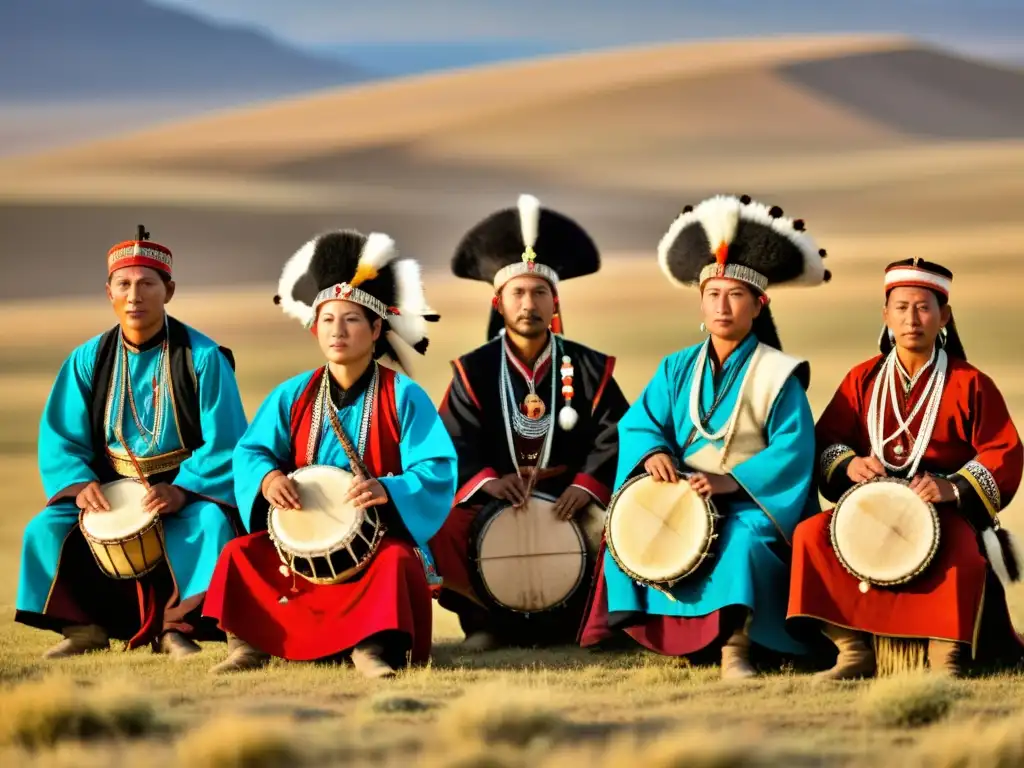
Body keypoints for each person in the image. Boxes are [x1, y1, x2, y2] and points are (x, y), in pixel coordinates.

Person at [579, 194, 832, 679]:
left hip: (752, 504)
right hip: (682, 493)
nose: (723, 306)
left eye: (736, 296)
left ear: (759, 305)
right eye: (713, 295)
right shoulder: (676, 367)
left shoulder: (778, 374)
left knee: (739, 541)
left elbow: (793, 451)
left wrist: (731, 482)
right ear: (701, 301)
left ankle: (735, 647)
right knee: (631, 528)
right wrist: (653, 452)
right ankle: (662, 636)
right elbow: (639, 422)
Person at [203, 229, 456, 678]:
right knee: (239, 553)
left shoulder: (403, 396)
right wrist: (267, 478)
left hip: (374, 538)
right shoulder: (293, 394)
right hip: (303, 535)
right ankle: (251, 645)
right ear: (314, 327)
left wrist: (389, 488)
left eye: (352, 320)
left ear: (377, 329)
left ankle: (372, 648)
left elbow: (436, 467)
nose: (338, 330)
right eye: (327, 319)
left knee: (397, 563)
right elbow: (253, 450)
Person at [16, 226, 248, 659]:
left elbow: (228, 441)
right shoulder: (87, 359)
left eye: (147, 284)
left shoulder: (204, 358)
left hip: (185, 483)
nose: (135, 295)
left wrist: (181, 491)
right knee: (45, 528)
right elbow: (62, 436)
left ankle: (177, 628)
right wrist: (80, 484)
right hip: (109, 484)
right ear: (109, 292)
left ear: (169, 291)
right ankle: (84, 628)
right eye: (124, 284)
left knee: (210, 526)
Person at [787, 258, 1024, 678]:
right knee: (811, 536)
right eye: (901, 307)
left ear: (944, 316)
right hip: (873, 504)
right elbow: (826, 441)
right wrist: (850, 465)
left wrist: (952, 488)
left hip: (943, 508)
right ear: (885, 315)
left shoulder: (970, 383)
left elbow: (1002, 451)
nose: (911, 318)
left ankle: (945, 658)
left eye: (923, 307)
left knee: (962, 553)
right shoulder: (862, 379)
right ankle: (851, 650)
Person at [428, 193, 629, 650]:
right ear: (499, 303)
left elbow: (617, 432)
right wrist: (488, 483)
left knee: (619, 524)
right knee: (440, 527)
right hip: (499, 492)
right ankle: (483, 624)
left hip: (568, 494)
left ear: (554, 301)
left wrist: (587, 485)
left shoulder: (590, 368)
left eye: (540, 292)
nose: (528, 303)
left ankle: (591, 626)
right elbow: (453, 440)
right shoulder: (473, 370)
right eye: (517, 292)